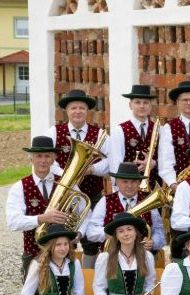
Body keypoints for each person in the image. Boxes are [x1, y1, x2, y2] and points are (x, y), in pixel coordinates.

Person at [7, 137, 70, 275]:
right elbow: (13, 222)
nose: (43, 160)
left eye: (47, 156)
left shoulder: (66, 182)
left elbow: (84, 211)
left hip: (64, 253)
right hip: (34, 253)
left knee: (65, 293)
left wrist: (78, 232)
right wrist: (42, 218)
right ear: (31, 159)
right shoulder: (19, 187)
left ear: (53, 159)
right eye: (38, 156)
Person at [85, 162, 166, 253]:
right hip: (113, 255)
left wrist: (153, 242)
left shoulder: (149, 200)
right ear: (117, 182)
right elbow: (91, 232)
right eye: (125, 181)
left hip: (142, 255)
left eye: (133, 181)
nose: (129, 186)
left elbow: (159, 231)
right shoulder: (105, 201)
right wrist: (109, 233)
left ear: (139, 182)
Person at [46, 89, 106, 204]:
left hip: (92, 197)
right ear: (67, 110)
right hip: (63, 196)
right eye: (73, 108)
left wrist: (92, 170)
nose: (78, 111)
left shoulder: (100, 134)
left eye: (82, 108)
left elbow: (109, 161)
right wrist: (68, 175)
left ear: (87, 110)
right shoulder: (53, 132)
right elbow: (48, 160)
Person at [107, 84, 161, 189]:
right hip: (128, 188)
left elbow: (165, 160)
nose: (142, 106)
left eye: (146, 102)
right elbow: (116, 164)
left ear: (150, 106)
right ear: (130, 105)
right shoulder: (119, 130)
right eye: (137, 102)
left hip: (153, 187)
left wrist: (153, 163)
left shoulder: (160, 129)